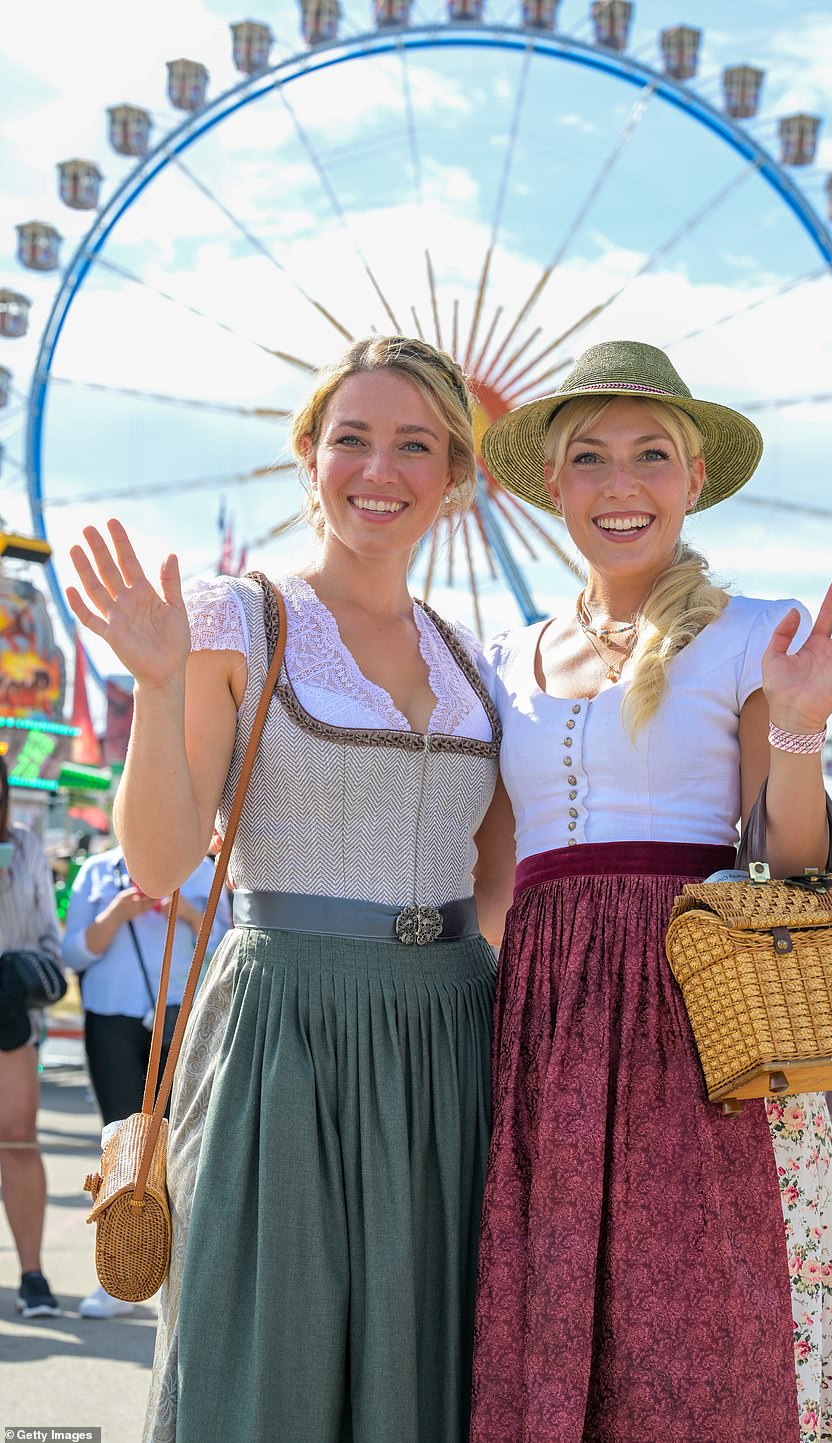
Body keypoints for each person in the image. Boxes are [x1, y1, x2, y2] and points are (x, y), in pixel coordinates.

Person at [66, 336, 500, 1443]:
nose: (379, 469)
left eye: (415, 445)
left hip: (448, 1032)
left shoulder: (473, 662)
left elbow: (497, 884)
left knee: (424, 1364)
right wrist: (156, 690)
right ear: (308, 456)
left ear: (454, 477)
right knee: (266, 1354)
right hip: (282, 1025)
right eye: (350, 438)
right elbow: (160, 864)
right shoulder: (236, 617)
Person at [470, 341, 832, 1442]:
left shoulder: (756, 632)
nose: (622, 485)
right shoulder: (503, 657)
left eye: (650, 455)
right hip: (547, 1028)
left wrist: (799, 722)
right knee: (558, 1314)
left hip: (699, 1017)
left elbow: (789, 867)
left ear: (693, 477)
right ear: (551, 486)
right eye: (591, 459)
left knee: (714, 1334)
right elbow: (492, 883)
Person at [61, 842, 231, 1318]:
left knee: (183, 1150)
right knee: (118, 1147)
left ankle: (177, 1282)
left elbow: (232, 956)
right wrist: (116, 913)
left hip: (185, 1018)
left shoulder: (203, 872)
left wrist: (191, 914)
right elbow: (73, 952)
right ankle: (116, 1276)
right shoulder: (98, 872)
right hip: (110, 1020)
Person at [0, 754, 63, 1318]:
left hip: (8, 1012)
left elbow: (49, 937)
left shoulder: (22, 847)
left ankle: (32, 1273)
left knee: (17, 1140)